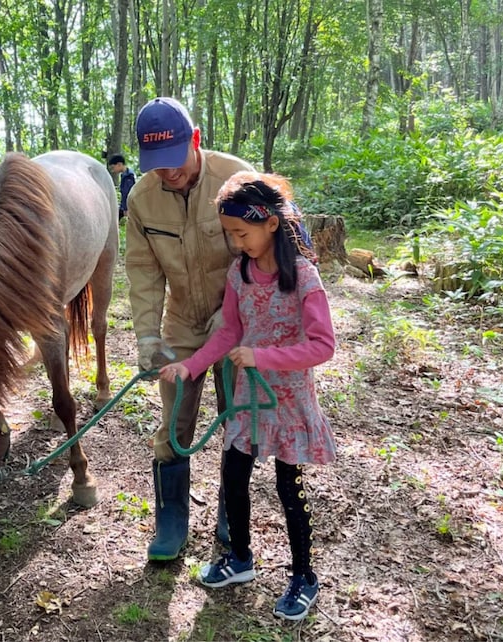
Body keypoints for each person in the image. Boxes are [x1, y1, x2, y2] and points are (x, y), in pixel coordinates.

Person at [158, 171, 337, 621]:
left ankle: (304, 577)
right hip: (247, 401)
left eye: (242, 233)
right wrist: (190, 366)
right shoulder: (240, 273)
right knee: (233, 476)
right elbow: (230, 333)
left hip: (288, 402)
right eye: (230, 235)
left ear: (270, 224)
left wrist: (262, 357)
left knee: (287, 488)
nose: (237, 243)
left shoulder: (303, 276)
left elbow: (323, 345)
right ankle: (240, 557)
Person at [125, 96, 254, 561]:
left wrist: (236, 310)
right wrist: (147, 335)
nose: (168, 172)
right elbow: (142, 271)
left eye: (175, 159)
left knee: (238, 416)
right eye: (156, 164)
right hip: (182, 322)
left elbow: (263, 251)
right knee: (174, 420)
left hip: (239, 321)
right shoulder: (141, 198)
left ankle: (230, 508)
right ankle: (171, 519)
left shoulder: (237, 180)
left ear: (195, 140)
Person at [107, 154, 135, 220]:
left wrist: (126, 208)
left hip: (129, 206)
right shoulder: (124, 175)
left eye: (113, 167)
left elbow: (127, 192)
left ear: (119, 164)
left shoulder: (129, 176)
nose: (112, 170)